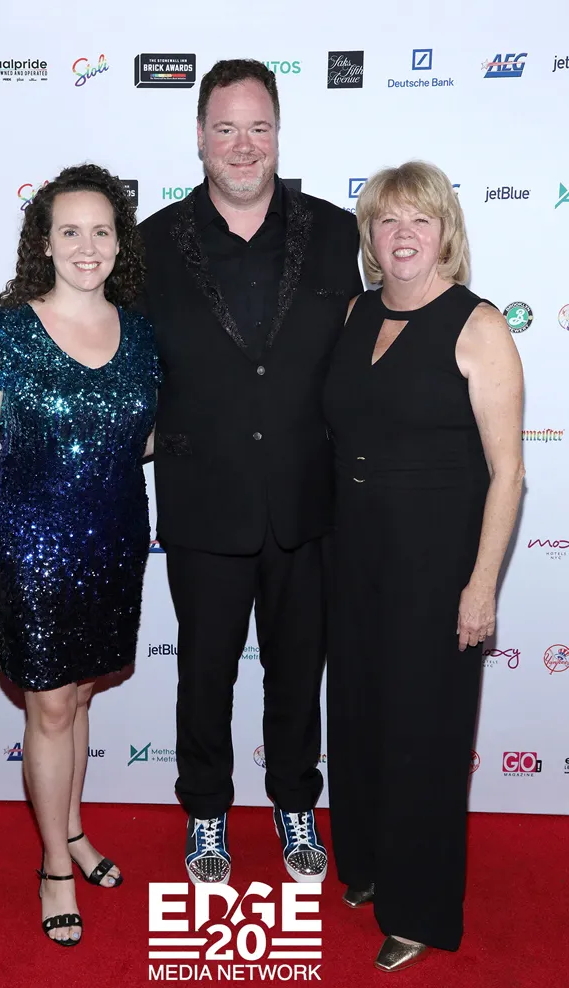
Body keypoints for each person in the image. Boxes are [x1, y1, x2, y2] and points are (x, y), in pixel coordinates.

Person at [138, 59, 362, 885]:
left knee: (299, 672)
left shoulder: (338, 232)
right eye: (226, 128)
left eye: (258, 127)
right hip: (203, 502)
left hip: (308, 499)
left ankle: (296, 802)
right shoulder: (151, 243)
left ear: (278, 134)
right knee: (204, 674)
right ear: (200, 136)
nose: (243, 145)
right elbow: (120, 359)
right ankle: (206, 812)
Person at [324, 161, 524, 971]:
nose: (402, 235)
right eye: (386, 220)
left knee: (424, 734)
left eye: (420, 219)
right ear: (369, 235)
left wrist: (481, 586)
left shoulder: (478, 326)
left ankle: (420, 908)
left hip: (436, 567)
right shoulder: (355, 311)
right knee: (361, 719)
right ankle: (369, 865)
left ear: (446, 232)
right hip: (353, 554)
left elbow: (508, 473)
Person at [0, 164, 159, 946]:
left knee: (79, 698)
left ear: (119, 242)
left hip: (115, 541)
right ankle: (54, 867)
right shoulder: (8, 329)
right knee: (47, 705)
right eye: (69, 230)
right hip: (31, 545)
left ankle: (71, 828)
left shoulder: (141, 333)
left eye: (101, 230)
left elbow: (141, 437)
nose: (86, 245)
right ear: (43, 241)